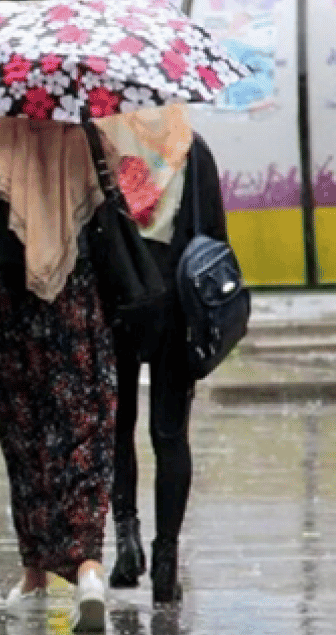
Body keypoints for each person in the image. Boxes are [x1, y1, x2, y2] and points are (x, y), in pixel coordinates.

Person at [0, 118, 116, 632]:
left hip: (14, 308)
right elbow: (117, 223)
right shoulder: (89, 142)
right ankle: (89, 569)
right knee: (85, 433)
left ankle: (36, 578)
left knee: (26, 439)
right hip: (80, 304)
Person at [96, 106, 227, 604]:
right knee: (170, 435)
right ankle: (166, 559)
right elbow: (214, 239)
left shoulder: (102, 147)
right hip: (176, 306)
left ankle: (127, 542)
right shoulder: (193, 149)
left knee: (117, 427)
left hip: (116, 302)